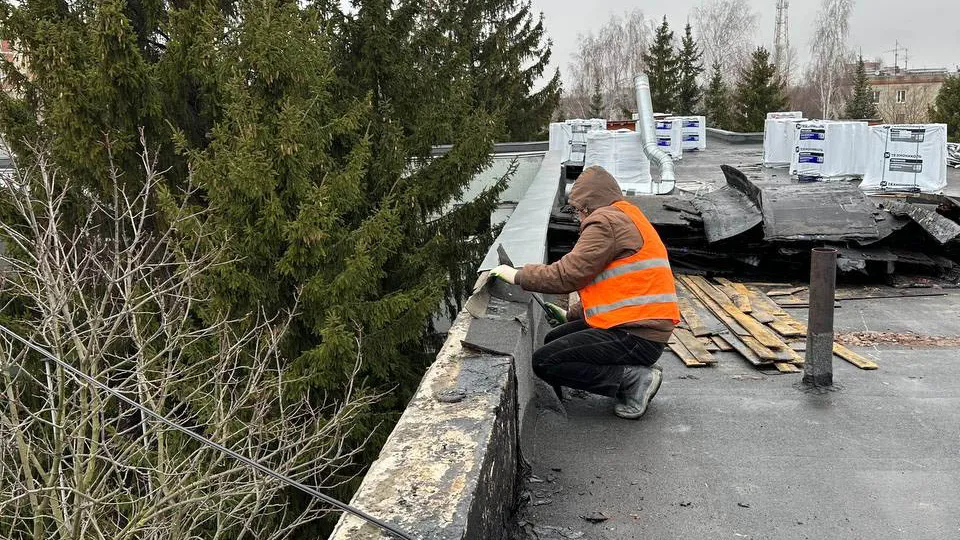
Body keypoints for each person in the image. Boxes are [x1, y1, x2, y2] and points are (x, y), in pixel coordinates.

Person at [490, 165, 680, 419]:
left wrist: (517, 275)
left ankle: (632, 379)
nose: (579, 217)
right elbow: (609, 286)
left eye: (580, 210)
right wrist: (569, 315)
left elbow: (568, 275)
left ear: (590, 205)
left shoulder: (605, 223)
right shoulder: (627, 215)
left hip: (638, 335)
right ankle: (630, 373)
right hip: (640, 327)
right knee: (553, 340)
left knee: (546, 361)